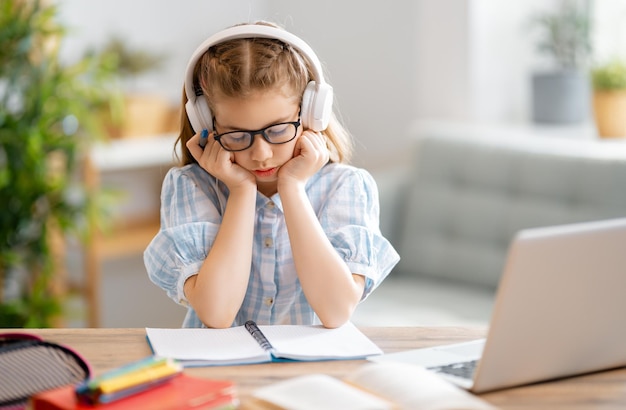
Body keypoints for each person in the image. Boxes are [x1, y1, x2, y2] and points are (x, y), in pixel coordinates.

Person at [144, 21, 399, 329]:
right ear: (206, 126)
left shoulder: (345, 187)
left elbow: (335, 311)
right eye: (237, 135)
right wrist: (241, 191)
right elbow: (217, 313)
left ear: (310, 115)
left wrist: (292, 188)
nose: (261, 154)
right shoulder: (191, 186)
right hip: (219, 370)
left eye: (278, 130)